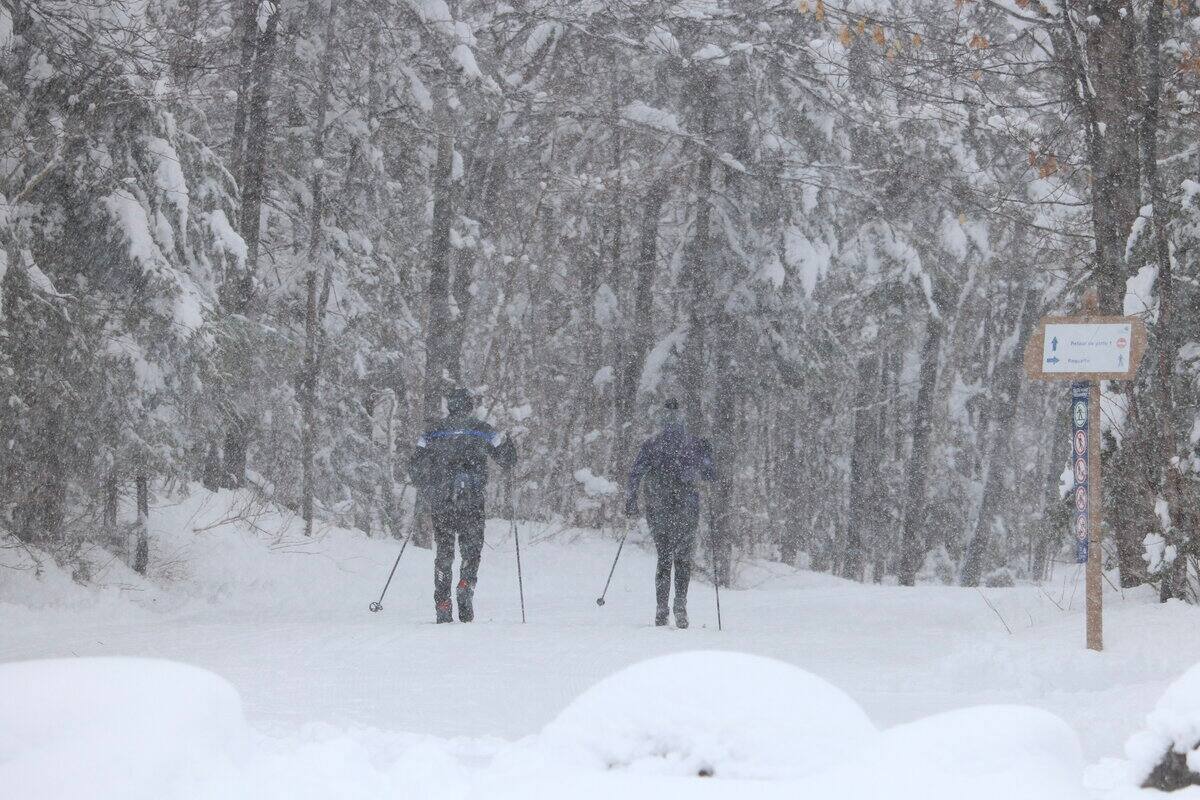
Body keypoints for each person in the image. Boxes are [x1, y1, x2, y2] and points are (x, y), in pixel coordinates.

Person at [409, 388, 516, 623]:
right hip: (472, 501)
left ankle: (442, 601)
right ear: (469, 406)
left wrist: (429, 485)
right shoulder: (482, 430)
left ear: (450, 406)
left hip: (442, 502)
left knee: (444, 551)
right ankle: (466, 584)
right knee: (472, 549)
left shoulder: (432, 432)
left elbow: (414, 467)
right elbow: (505, 460)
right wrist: (510, 447)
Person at [624, 398, 715, 628]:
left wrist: (631, 500)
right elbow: (708, 474)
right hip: (686, 508)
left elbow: (635, 474)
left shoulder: (652, 444)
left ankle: (661, 608)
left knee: (664, 558)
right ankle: (680, 605)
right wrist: (707, 453)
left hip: (659, 508)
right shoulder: (692, 444)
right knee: (683, 559)